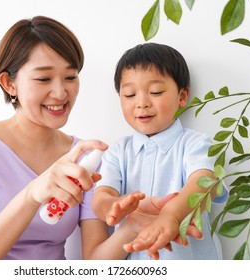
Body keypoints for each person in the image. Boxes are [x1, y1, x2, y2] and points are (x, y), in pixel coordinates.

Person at [0, 16, 198, 260]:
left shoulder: (86, 157)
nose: (61, 92)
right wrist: (32, 194)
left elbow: (95, 260)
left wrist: (131, 228)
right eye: (43, 78)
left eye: (70, 77)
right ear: (9, 83)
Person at [92, 42, 228, 260]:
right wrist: (111, 206)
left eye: (155, 92)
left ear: (182, 96)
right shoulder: (117, 152)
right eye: (129, 95)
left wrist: (172, 215)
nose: (142, 103)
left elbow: (205, 182)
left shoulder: (196, 144)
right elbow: (101, 198)